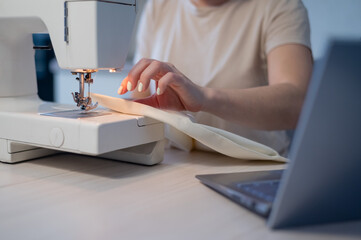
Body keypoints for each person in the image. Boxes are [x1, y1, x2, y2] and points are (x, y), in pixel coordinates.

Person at [117, 0, 313, 156]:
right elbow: (140, 97)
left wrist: (204, 98)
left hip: (252, 169)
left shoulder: (279, 6)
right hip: (174, 163)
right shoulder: (159, 6)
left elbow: (297, 103)